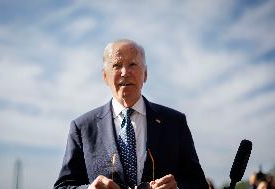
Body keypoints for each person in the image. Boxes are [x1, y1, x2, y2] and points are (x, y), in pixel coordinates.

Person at [54, 39, 208, 189]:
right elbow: (63, 186)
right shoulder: (83, 127)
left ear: (145, 74)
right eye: (116, 65)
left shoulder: (174, 122)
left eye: (132, 64)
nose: (125, 72)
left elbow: (198, 183)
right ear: (105, 76)